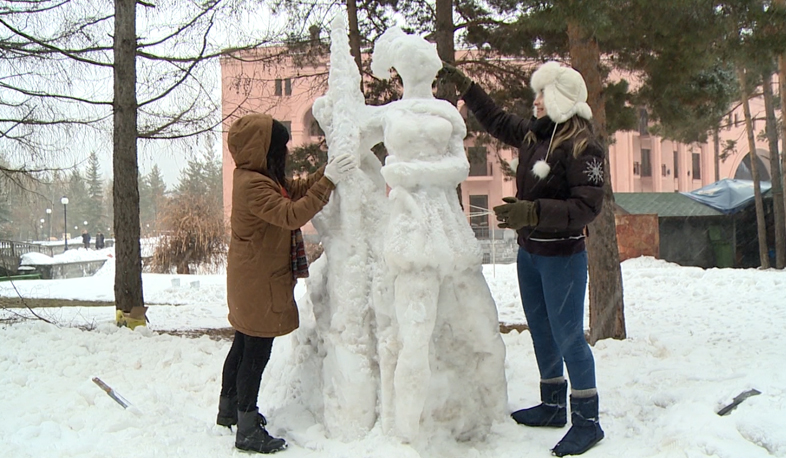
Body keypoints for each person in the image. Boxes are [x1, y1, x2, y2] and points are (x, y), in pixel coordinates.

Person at [440, 61, 605, 456]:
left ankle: (587, 420)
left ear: (561, 99)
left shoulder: (583, 146)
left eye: (543, 94)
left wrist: (532, 212)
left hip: (563, 254)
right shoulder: (535, 134)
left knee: (568, 336)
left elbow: (586, 206)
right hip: (530, 252)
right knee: (541, 329)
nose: (536, 101)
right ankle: (552, 404)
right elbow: (497, 121)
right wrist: (468, 87)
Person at [368, 27, 508, 442]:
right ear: (402, 70)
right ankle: (405, 432)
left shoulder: (447, 111)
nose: (420, 71)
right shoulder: (389, 114)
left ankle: (493, 412)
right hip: (409, 223)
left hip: (445, 220)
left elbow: (460, 169)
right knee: (412, 335)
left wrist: (409, 173)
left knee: (481, 323)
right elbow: (349, 140)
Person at [217, 113, 358, 454]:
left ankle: (229, 410)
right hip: (257, 283)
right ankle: (246, 427)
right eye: (280, 147)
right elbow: (292, 214)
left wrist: (326, 173)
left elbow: (292, 190)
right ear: (263, 149)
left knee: (243, 343)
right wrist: (328, 184)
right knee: (255, 350)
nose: (285, 153)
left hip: (251, 278)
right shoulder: (253, 185)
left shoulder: (258, 177)